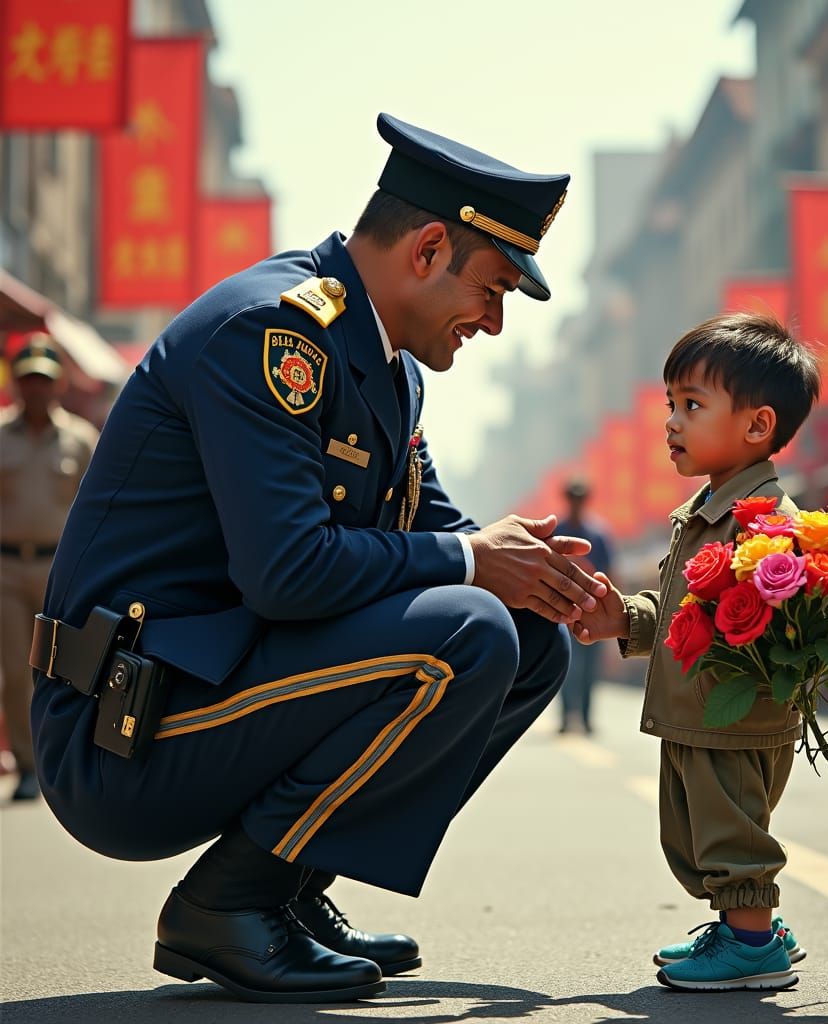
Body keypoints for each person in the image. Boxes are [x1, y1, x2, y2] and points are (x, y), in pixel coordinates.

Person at [30, 113, 607, 1004]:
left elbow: (437, 528)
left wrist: (545, 574)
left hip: (224, 685)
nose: (493, 324)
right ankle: (228, 907)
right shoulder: (272, 333)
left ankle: (292, 885)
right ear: (425, 249)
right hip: (123, 728)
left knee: (527, 636)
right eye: (491, 289)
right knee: (469, 627)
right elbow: (289, 571)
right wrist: (472, 562)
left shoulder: (388, 364)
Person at [573, 312, 820, 992]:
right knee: (696, 833)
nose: (671, 422)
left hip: (732, 717)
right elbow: (688, 613)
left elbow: (772, 618)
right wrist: (620, 618)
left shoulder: (765, 521)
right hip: (698, 709)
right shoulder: (707, 510)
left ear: (756, 426)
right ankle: (749, 931)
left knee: (731, 834)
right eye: (669, 405)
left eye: (692, 405)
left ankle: (753, 946)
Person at [0, 335, 97, 802]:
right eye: (27, 380)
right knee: (16, 673)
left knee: (65, 669)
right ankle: (26, 765)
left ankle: (64, 758)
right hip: (7, 571)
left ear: (57, 385)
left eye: (43, 380)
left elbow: (100, 507)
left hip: (62, 570)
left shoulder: (80, 440)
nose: (35, 389)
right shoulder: (0, 434)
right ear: (17, 384)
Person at [558, 477, 613, 734]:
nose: (577, 503)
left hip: (594, 610)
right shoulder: (558, 532)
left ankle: (587, 718)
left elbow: (611, 573)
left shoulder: (599, 535)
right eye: (573, 498)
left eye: (580, 498)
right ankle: (566, 717)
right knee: (566, 666)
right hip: (560, 610)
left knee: (590, 669)